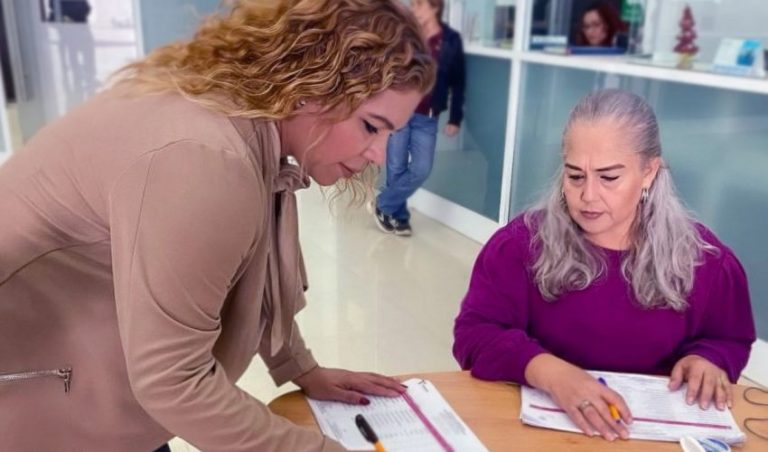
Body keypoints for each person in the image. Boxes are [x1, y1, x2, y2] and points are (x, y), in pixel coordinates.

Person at [0, 1, 434, 450]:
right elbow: (174, 382)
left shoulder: (230, 109)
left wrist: (299, 366)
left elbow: (249, 271)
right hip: (34, 406)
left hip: (85, 379)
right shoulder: (205, 158)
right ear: (312, 85)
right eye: (371, 127)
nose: (379, 155)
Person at [453, 90, 755, 442]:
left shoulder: (707, 261)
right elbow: (475, 335)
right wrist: (551, 374)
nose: (588, 196)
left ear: (649, 172)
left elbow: (729, 338)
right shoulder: (518, 246)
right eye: (575, 176)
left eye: (608, 177)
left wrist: (710, 359)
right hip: (540, 435)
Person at [374, 0, 465, 236]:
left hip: (428, 117)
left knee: (421, 168)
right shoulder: (405, 34)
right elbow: (389, 70)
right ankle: (398, 217)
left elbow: (458, 81)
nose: (414, 10)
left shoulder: (450, 40)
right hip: (400, 112)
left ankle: (383, 203)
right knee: (396, 166)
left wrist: (455, 117)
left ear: (435, 7)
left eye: (419, 5)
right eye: (413, 6)